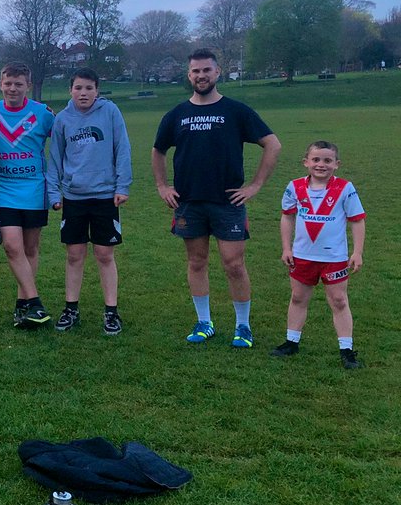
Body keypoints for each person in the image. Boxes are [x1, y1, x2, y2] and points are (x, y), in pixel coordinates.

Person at [152, 48, 281, 348]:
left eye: (206, 70)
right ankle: (204, 322)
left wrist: (255, 185)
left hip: (228, 202)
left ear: (217, 72)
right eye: (196, 71)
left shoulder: (236, 111)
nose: (201, 76)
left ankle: (243, 326)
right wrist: (162, 186)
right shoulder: (177, 114)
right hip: (189, 202)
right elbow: (158, 150)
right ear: (189, 75)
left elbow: (273, 144)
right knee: (196, 262)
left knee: (234, 264)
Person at [0, 62, 56, 329]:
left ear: (28, 85)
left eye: (19, 84)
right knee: (11, 247)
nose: (13, 89)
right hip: (5, 190)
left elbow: (68, 137)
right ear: (0, 85)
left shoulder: (42, 114)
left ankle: (23, 304)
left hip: (35, 189)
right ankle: (36, 303)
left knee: (30, 249)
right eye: (8, 83)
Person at [48, 68, 132, 336]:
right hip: (74, 197)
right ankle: (71, 309)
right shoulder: (62, 119)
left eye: (88, 88)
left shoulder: (110, 112)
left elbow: (122, 148)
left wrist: (122, 186)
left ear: (97, 90)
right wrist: (53, 194)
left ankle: (111, 312)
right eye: (78, 88)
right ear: (70, 90)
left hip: (105, 196)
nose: (83, 93)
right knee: (74, 255)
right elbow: (55, 158)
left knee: (104, 255)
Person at [271, 140, 366, 369]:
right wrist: (286, 248)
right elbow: (287, 217)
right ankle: (291, 342)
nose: (321, 164)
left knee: (339, 301)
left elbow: (357, 220)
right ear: (306, 162)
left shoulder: (345, 188)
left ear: (337, 164)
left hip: (334, 258)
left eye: (327, 160)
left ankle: (346, 350)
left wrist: (357, 252)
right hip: (302, 256)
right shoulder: (294, 186)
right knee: (298, 298)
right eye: (315, 159)